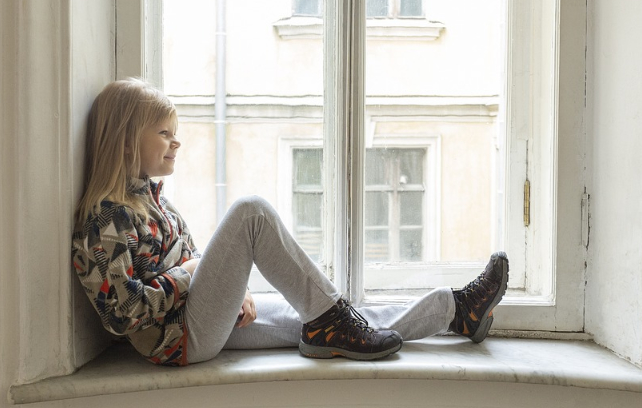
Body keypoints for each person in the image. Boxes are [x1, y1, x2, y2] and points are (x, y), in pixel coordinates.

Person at [71, 78, 509, 367]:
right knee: (251, 211)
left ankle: (455, 312)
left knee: (334, 318)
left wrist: (233, 290)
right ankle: (333, 319)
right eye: (164, 133)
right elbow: (122, 316)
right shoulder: (103, 219)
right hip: (179, 339)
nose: (176, 141)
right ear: (127, 137)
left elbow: (195, 261)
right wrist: (190, 276)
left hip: (205, 320)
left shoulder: (154, 201)